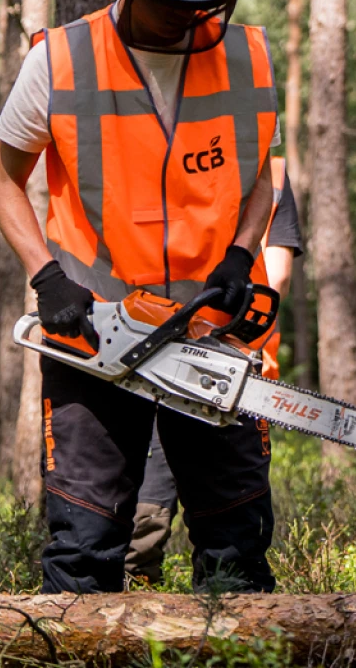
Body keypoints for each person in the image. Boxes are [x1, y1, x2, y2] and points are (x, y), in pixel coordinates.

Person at [0, 0, 284, 594]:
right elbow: (1, 179)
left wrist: (244, 253)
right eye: (174, 3)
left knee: (234, 545)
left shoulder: (247, 57)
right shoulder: (59, 60)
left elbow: (262, 176)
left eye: (203, 1)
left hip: (209, 329)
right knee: (87, 542)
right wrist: (46, 274)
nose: (191, 19)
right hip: (96, 332)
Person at [126, 158, 300, 586]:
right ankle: (131, 612)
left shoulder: (272, 172)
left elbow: (274, 278)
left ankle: (223, 617)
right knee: (144, 519)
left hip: (229, 363)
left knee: (232, 524)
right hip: (152, 356)